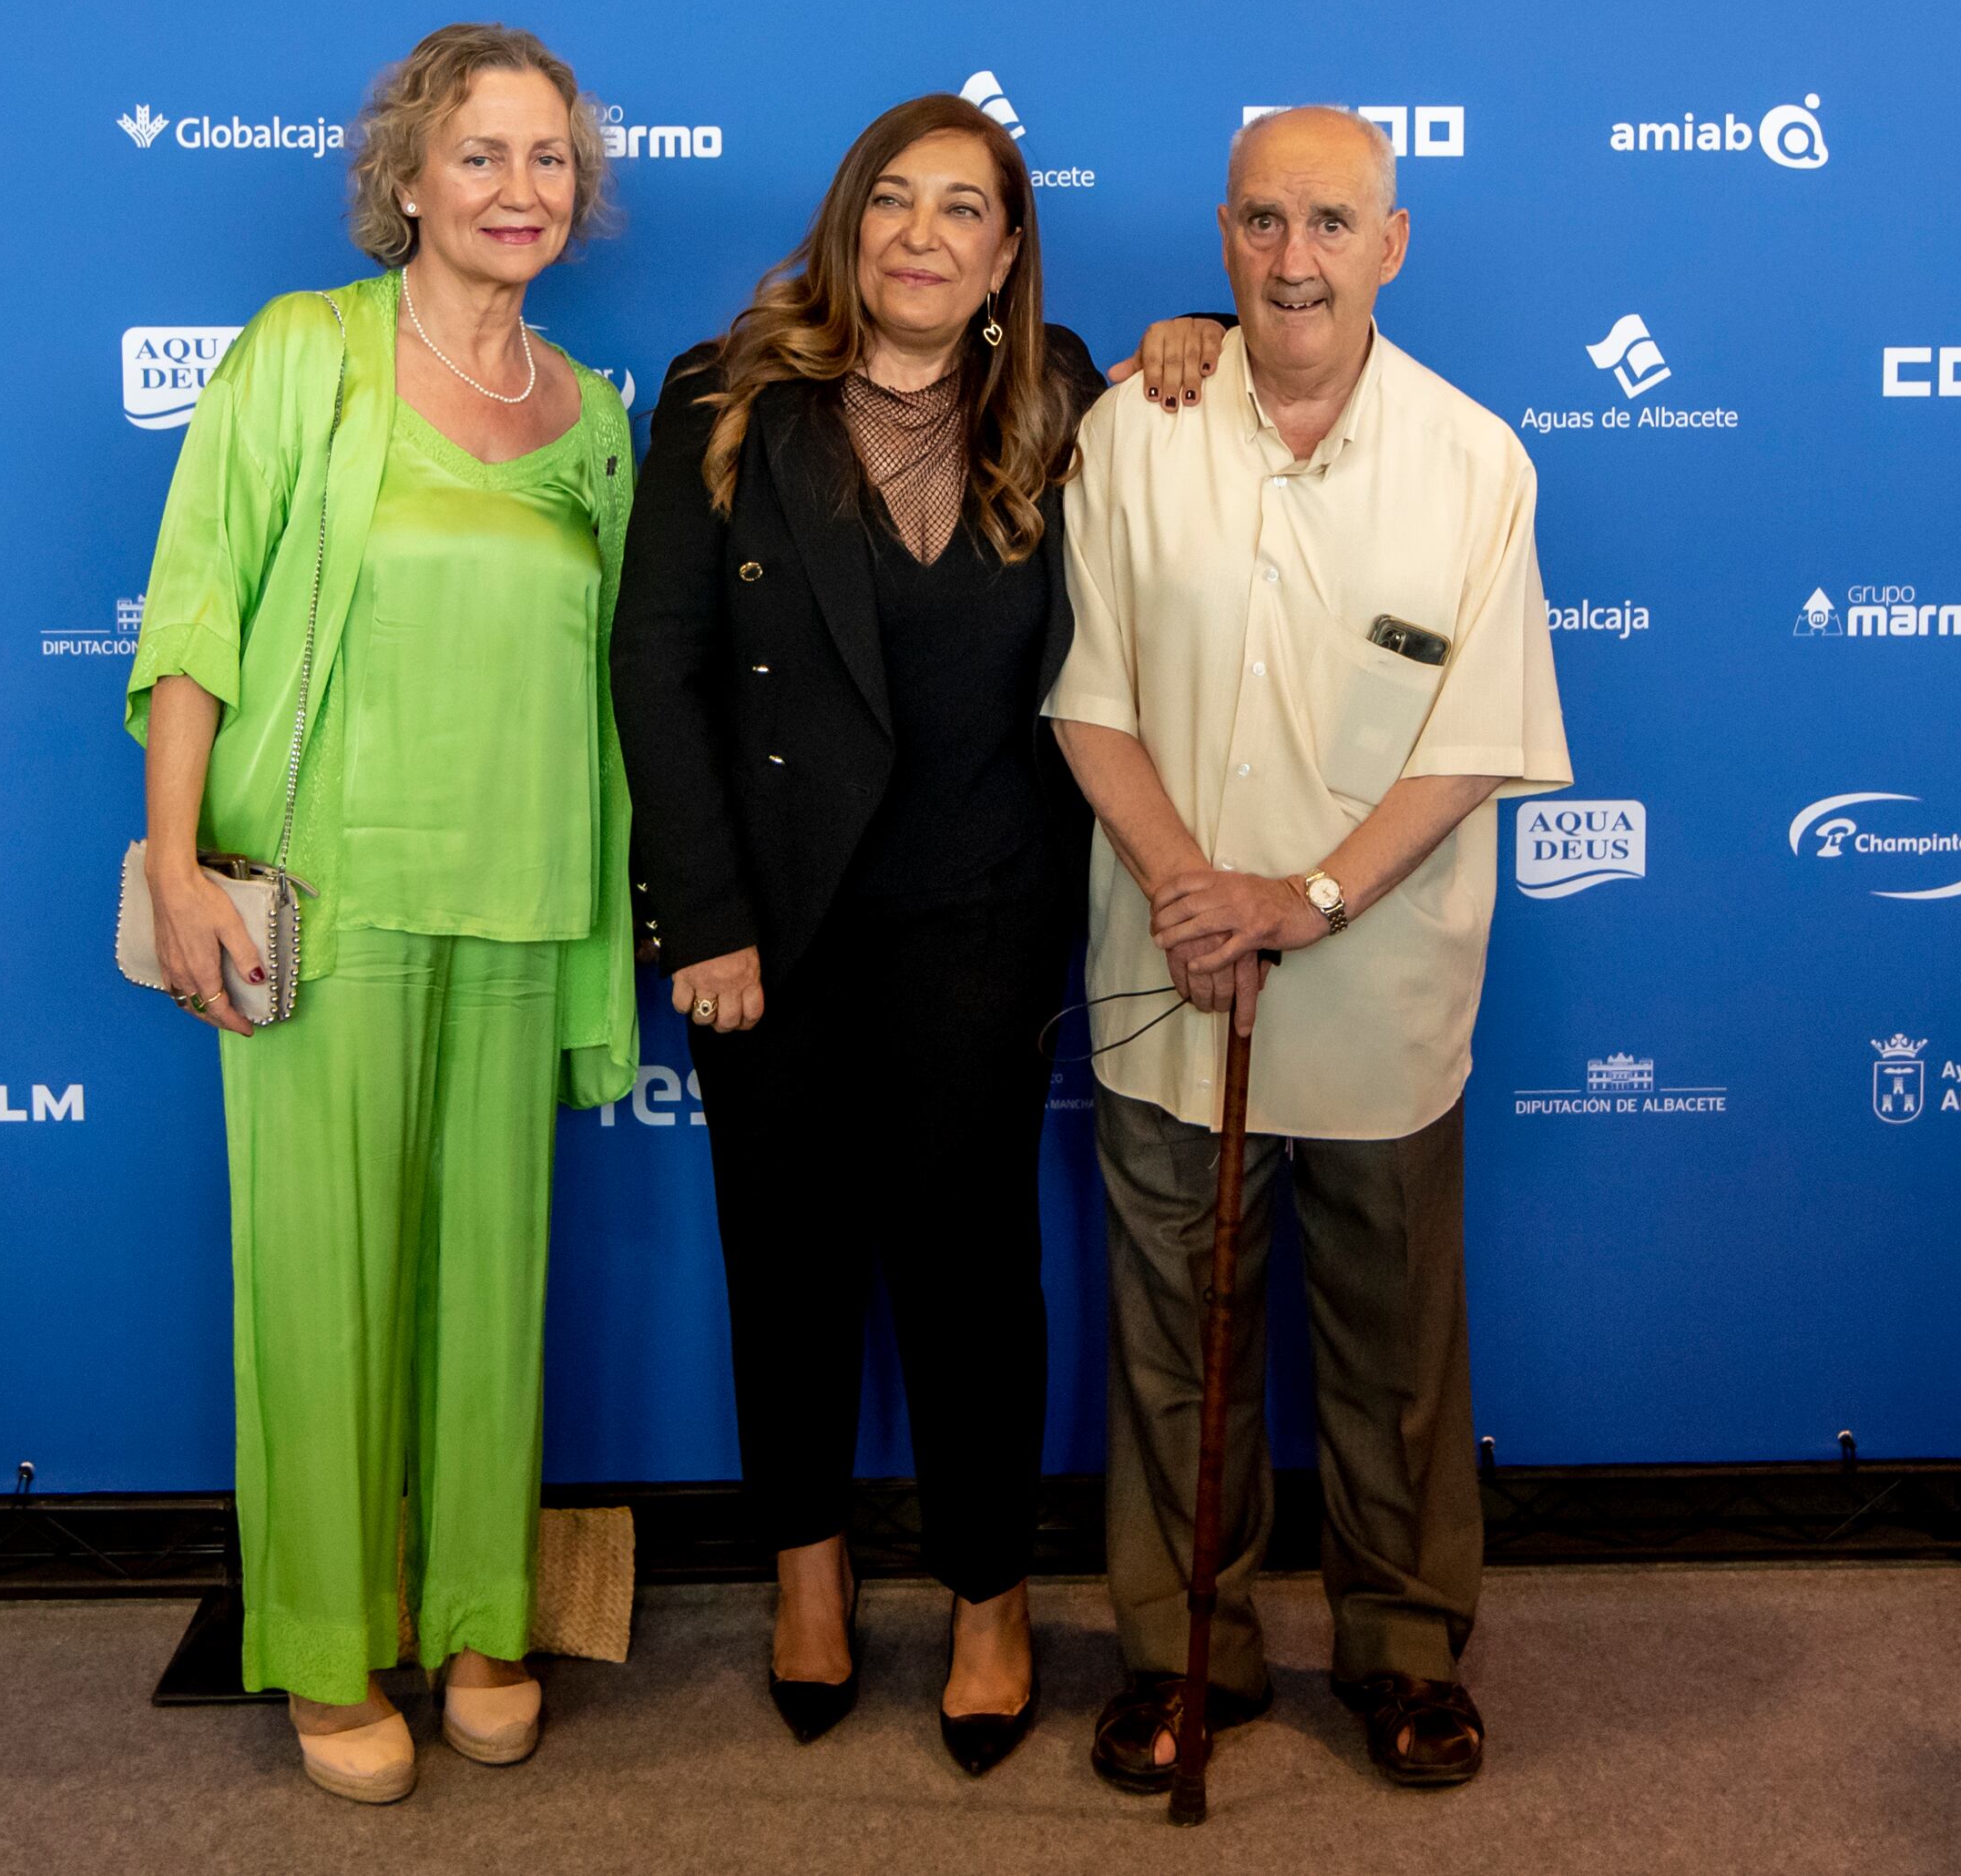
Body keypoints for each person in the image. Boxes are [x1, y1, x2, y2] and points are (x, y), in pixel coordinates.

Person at [128, 22, 639, 1806]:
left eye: (547, 159)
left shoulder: (594, 423)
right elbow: (194, 610)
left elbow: (614, 690)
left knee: (490, 1294)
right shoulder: (304, 356)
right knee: (322, 1295)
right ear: (407, 180)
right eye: (481, 155)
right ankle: (332, 1645)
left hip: (519, 907)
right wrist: (178, 865)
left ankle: (489, 1616)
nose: (518, 189)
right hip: (321, 910)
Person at [1044, 105, 1571, 1795]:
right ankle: (1182, 1654)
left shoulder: (1477, 461)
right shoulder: (1133, 428)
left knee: (1393, 1347)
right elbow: (1088, 696)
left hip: (1381, 984)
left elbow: (1475, 736)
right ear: (1220, 236)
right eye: (1263, 223)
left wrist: (1306, 898)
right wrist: (1198, 886)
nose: (1294, 259)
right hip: (1169, 966)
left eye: (1332, 223)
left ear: (1391, 244)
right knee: (1169, 1344)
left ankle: (1405, 1649)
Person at [612, 93, 1116, 1778]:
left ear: (1005, 250)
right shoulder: (724, 394)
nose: (920, 233)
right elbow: (657, 667)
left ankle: (988, 1596)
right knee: (790, 1264)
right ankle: (807, 1576)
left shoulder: (1066, 397)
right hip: (773, 927)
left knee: (978, 1274)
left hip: (982, 907)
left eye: (960, 208)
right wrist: (704, 916)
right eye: (890, 200)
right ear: (847, 227)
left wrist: (1194, 337)